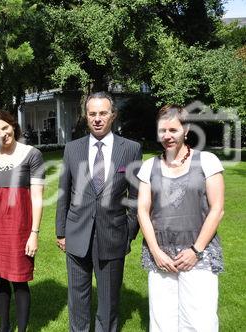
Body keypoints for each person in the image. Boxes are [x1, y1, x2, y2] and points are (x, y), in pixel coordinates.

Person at [55, 91, 142, 332]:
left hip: (113, 234)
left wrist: (128, 231)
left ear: (113, 115)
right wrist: (61, 231)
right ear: (85, 116)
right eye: (92, 113)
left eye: (103, 113)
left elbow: (135, 197)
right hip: (76, 232)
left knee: (109, 301)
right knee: (77, 298)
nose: (97, 118)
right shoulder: (72, 149)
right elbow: (64, 192)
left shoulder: (131, 149)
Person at [137, 105, 224, 331]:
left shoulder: (207, 161)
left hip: (198, 254)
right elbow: (142, 211)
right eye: (162, 130)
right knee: (162, 320)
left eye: (173, 130)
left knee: (199, 320)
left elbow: (217, 210)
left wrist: (196, 250)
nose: (167, 136)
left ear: (186, 130)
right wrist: (156, 252)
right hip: (161, 255)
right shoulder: (149, 167)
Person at [0, 110, 45, 332]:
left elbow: (37, 197)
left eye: (5, 127)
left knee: (19, 278)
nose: (2, 133)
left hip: (18, 225)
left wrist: (34, 233)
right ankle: (3, 327)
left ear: (13, 125)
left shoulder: (32, 154)